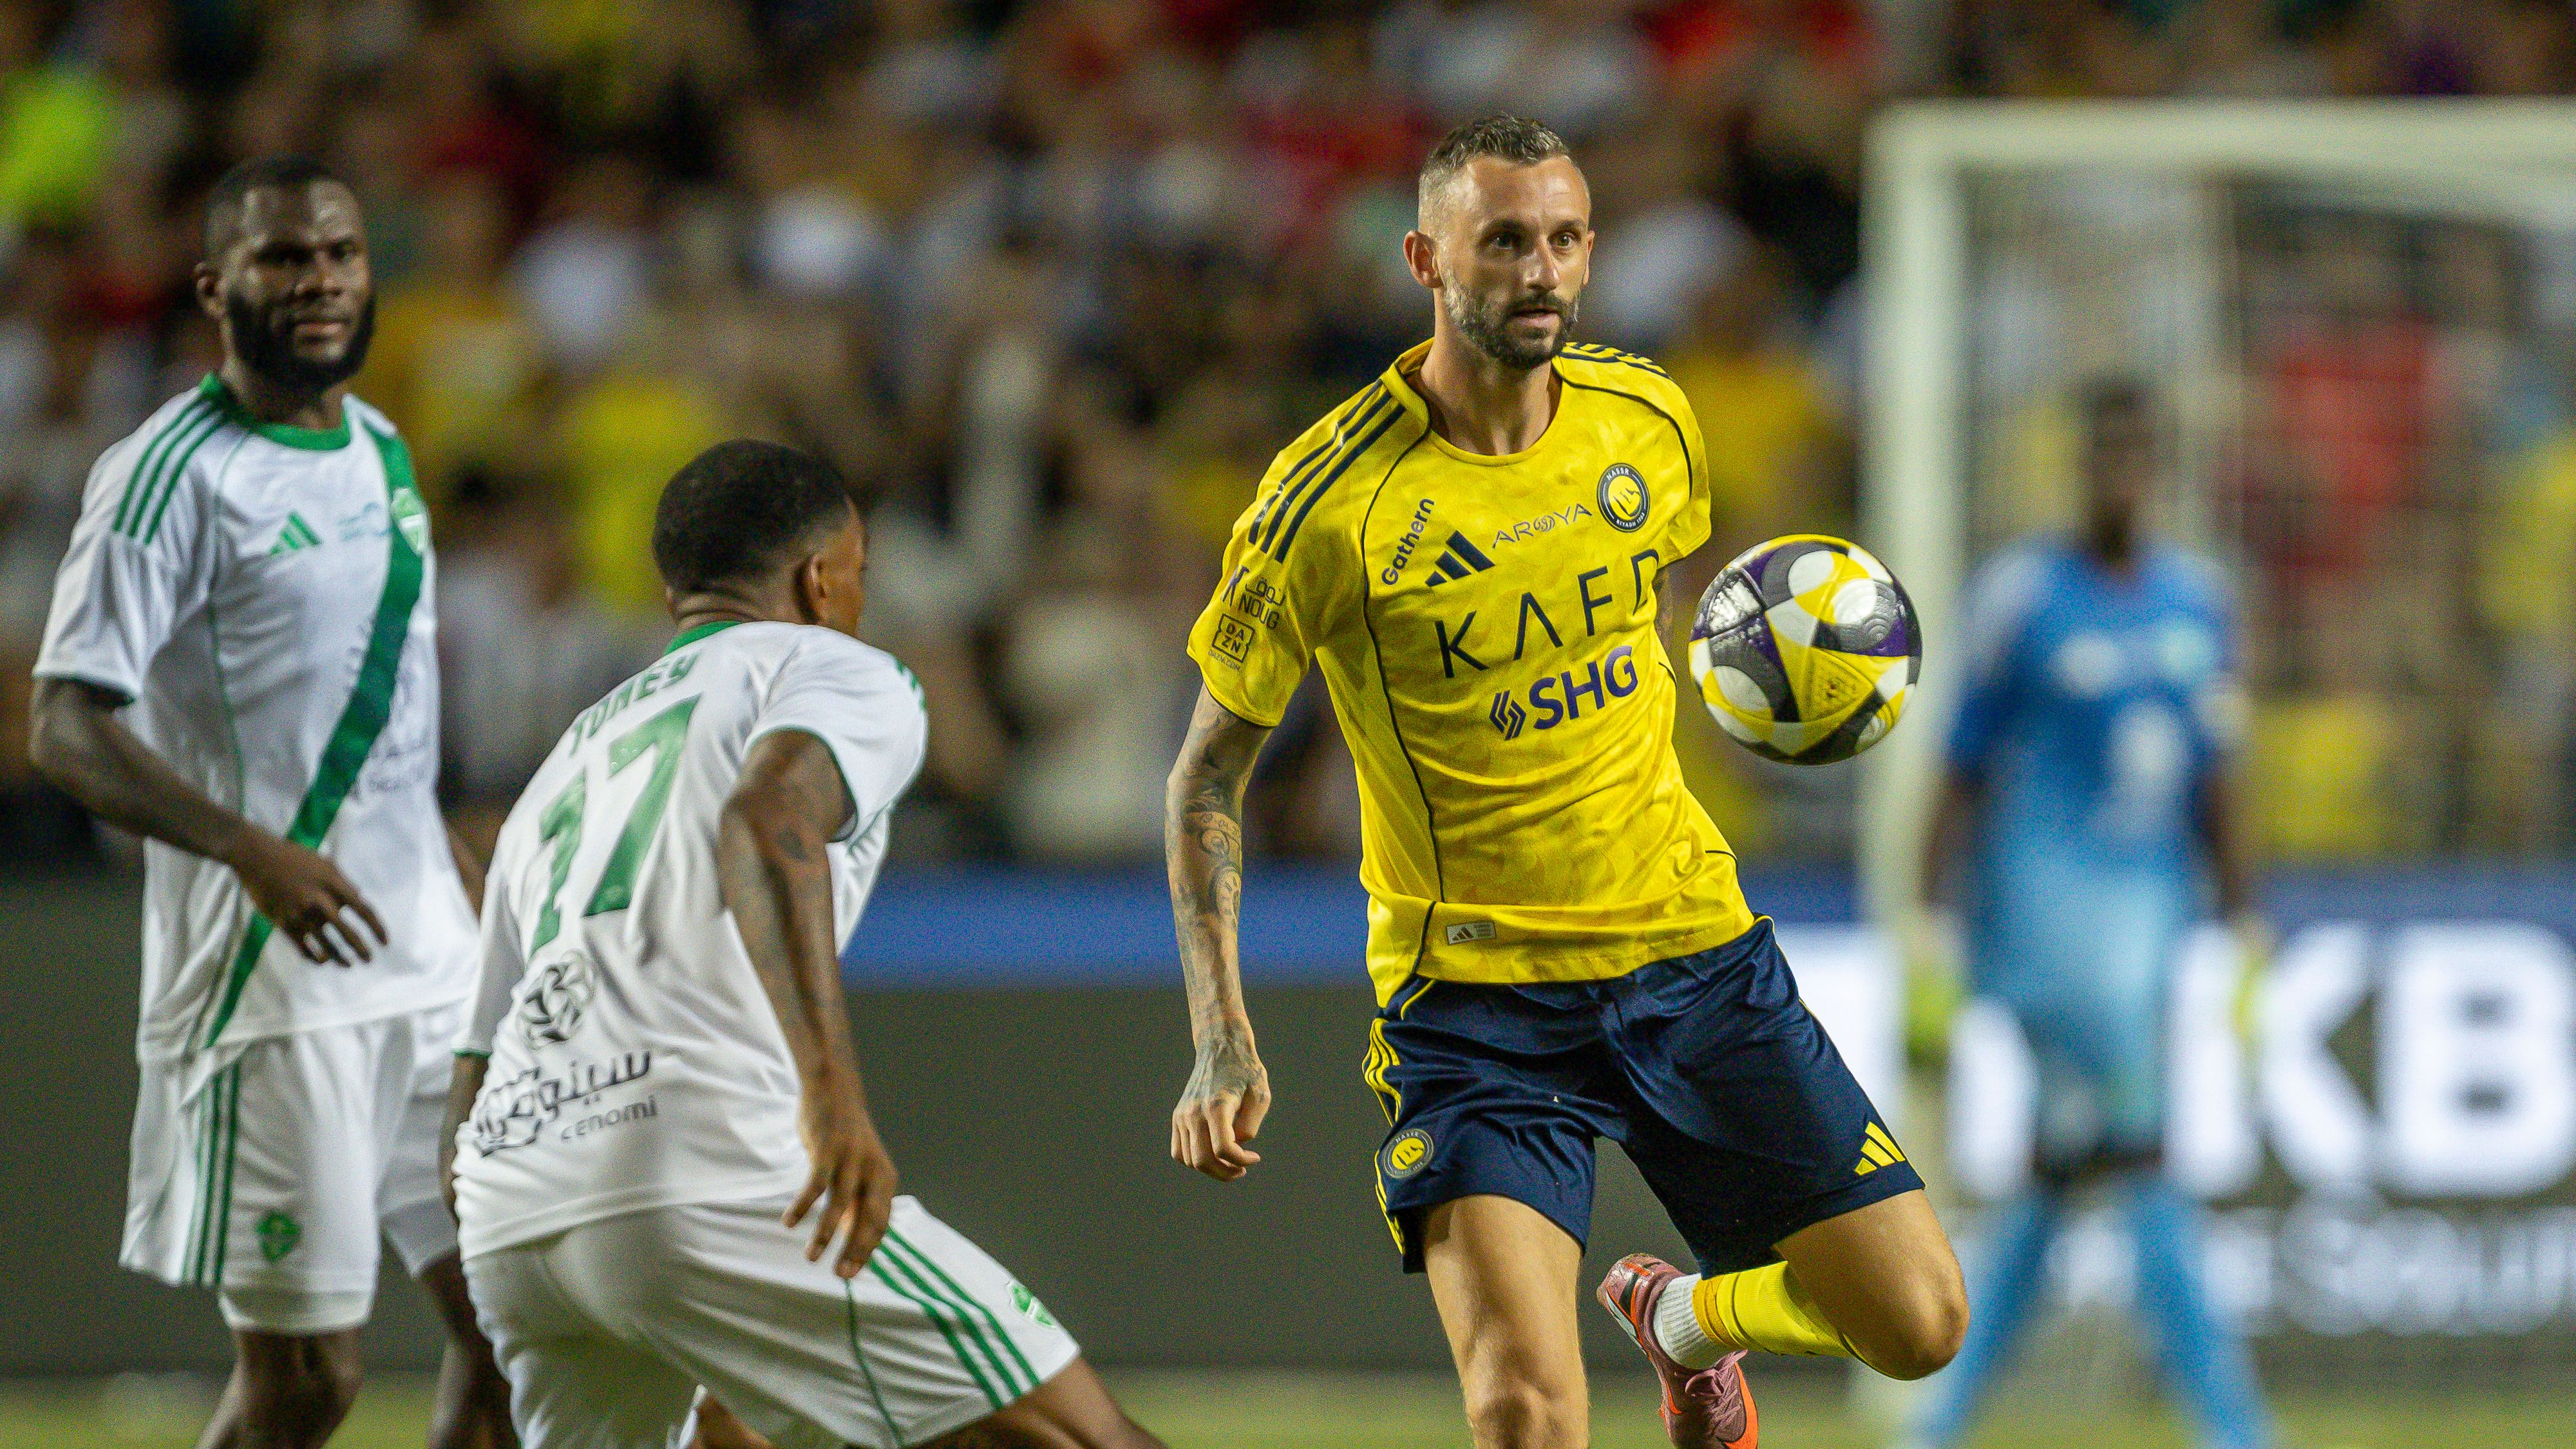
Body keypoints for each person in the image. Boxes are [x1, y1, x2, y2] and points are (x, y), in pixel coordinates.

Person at [1161, 115, 1967, 1449]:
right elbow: (1204, 778)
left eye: (1561, 239)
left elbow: (1664, 636)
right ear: (1427, 257)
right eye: (1502, 242)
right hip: (1475, 1013)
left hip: (1693, 958)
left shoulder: (1646, 420)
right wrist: (1219, 1031)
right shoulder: (1324, 505)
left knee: (1917, 1325)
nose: (1538, 271)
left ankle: (1685, 1324)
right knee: (1528, 1417)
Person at [443, 440, 1165, 1449]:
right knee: (1088, 1440)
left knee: (726, 1424)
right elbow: (766, 815)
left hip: (516, 1211)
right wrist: (831, 1097)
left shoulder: (565, 763)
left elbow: (471, 1073)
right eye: (861, 574)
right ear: (821, 578)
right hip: (695, 1164)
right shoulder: (835, 668)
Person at [26, 156, 511, 1448]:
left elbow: (384, 692)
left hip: (429, 965)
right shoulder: (168, 476)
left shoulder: (385, 447)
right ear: (212, 287)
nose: (318, 282)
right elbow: (62, 725)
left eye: (340, 256)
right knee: (309, 1384)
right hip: (270, 983)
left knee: (521, 1326)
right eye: (283, 259)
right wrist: (250, 853)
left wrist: (444, 848)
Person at [1902, 379, 2275, 1449]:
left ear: (2156, 468)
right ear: (2079, 465)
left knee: (2062, 1171)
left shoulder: (2199, 602)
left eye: (2136, 455)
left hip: (2152, 924)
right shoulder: (2020, 597)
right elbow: (1958, 772)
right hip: (2045, 931)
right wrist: (1928, 934)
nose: (2119, 474)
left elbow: (2222, 779)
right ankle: (2237, 1428)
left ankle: (1936, 1421)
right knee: (2145, 1152)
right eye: (2101, 453)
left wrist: (2248, 929)